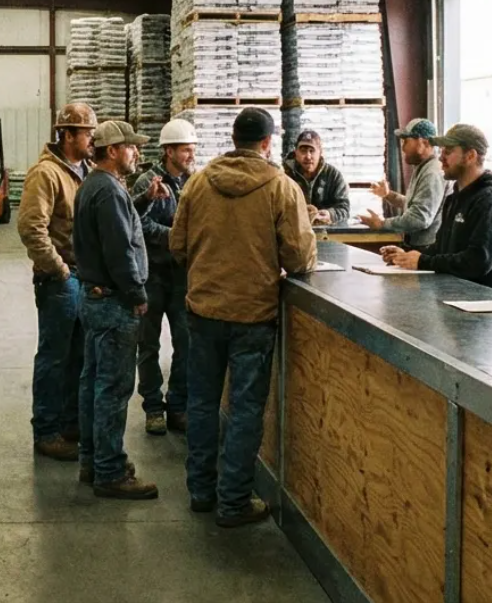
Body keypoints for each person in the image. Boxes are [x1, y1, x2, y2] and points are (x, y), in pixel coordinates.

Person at [171, 108, 316, 527]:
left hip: (202, 311)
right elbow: (300, 257)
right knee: (246, 409)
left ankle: (200, 490)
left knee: (201, 403)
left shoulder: (198, 184)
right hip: (253, 315)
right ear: (268, 143)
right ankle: (232, 501)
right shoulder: (281, 189)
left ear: (233, 138)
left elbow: (178, 244)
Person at [72, 120, 157, 499]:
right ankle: (109, 472)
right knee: (113, 388)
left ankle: (93, 461)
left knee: (94, 383)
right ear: (112, 151)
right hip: (113, 302)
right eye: (130, 147)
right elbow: (119, 250)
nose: (135, 152)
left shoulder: (95, 186)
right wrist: (137, 294)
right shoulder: (107, 191)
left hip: (95, 298)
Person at [17, 103, 96, 462]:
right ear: (67, 135)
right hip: (60, 281)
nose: (92, 139)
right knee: (54, 357)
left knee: (78, 355)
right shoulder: (46, 174)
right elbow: (31, 228)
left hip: (84, 277)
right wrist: (60, 269)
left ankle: (69, 424)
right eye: (86, 133)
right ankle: (46, 431)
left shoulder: (86, 171)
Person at [380, 124, 492, 289]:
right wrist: (407, 257)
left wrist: (423, 261)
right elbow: (442, 249)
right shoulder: (454, 198)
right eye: (442, 151)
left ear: (470, 156)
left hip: (481, 302)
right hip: (454, 297)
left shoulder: (490, 202)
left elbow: (478, 262)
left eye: (448, 152)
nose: (441, 158)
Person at [129, 118, 196, 436]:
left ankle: (178, 405)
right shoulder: (147, 181)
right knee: (149, 345)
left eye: (192, 150)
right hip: (153, 275)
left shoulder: (194, 183)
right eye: (185, 150)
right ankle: (154, 407)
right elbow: (138, 226)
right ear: (169, 151)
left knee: (186, 341)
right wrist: (176, 237)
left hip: (183, 276)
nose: (190, 156)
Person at [361, 117, 445, 250]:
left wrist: (382, 224)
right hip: (420, 247)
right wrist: (388, 195)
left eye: (406, 141)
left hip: (427, 250)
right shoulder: (423, 167)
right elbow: (415, 205)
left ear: (425, 143)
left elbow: (419, 218)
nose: (403, 148)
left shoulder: (432, 173)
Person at [283, 130, 351, 226]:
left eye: (312, 151)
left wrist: (330, 214)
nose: (308, 156)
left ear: (320, 152)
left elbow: (344, 208)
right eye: (303, 151)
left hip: (326, 232)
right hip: (293, 230)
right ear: (296, 152)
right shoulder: (284, 174)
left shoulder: (333, 175)